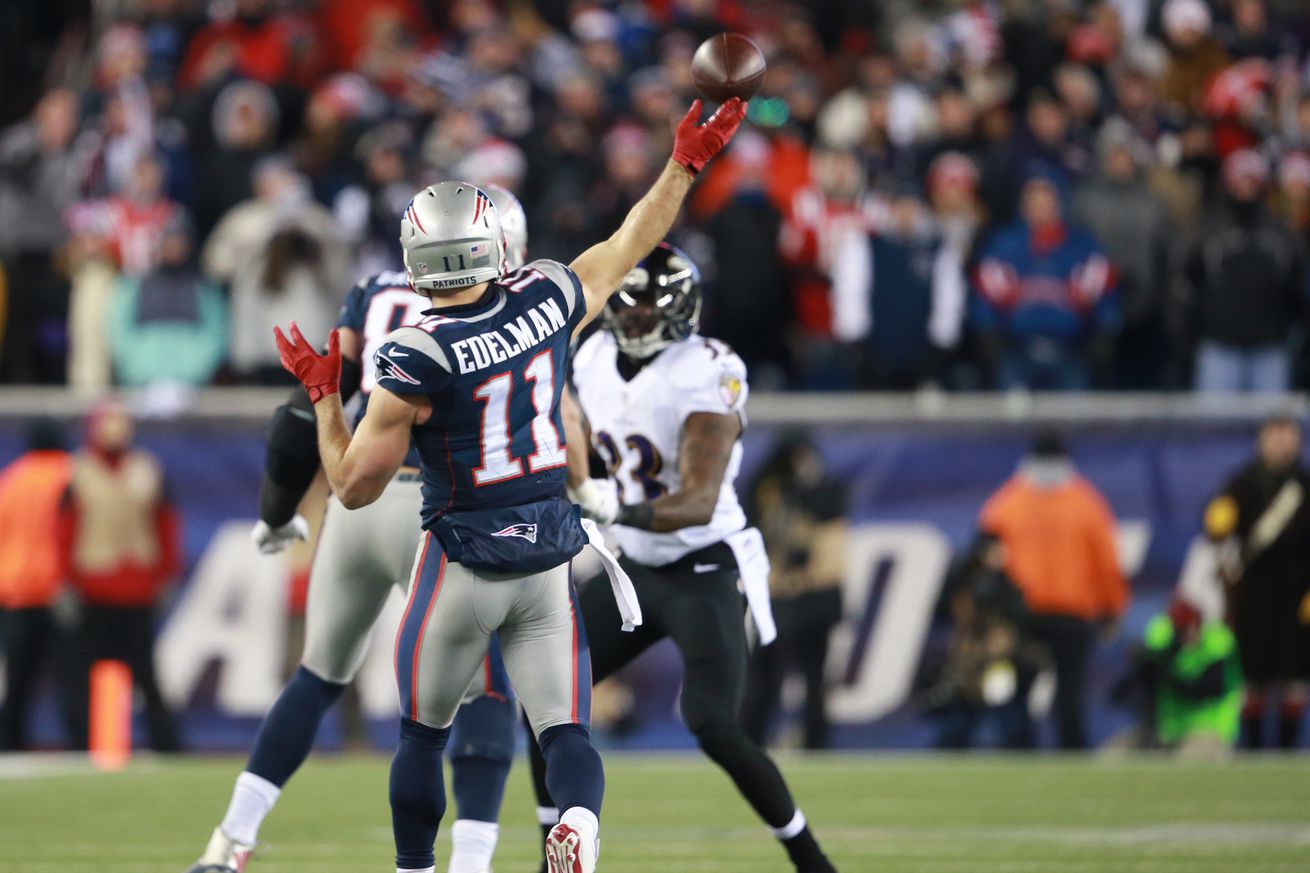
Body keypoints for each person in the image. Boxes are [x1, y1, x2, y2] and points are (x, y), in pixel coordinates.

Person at [270, 99, 745, 873]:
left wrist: (327, 398)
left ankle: (419, 868)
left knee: (422, 734)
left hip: (463, 563)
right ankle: (580, 825)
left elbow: (353, 487)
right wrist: (683, 164)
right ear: (492, 245)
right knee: (565, 733)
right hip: (548, 561)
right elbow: (634, 238)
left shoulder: (414, 355)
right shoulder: (546, 298)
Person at [184, 186, 531, 873]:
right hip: (442, 511)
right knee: (487, 687)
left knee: (316, 676)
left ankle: (228, 843)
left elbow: (304, 405)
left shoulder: (374, 292)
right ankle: (469, 861)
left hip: (358, 509)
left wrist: (277, 510)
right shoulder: (511, 311)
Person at [554, 243, 837, 873]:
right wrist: (576, 481)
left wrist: (608, 506)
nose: (632, 321)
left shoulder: (709, 369)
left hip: (702, 565)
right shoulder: (593, 356)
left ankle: (810, 859)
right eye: (624, 308)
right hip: (634, 566)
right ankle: (558, 851)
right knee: (546, 693)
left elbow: (698, 502)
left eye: (647, 308)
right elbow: (589, 442)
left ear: (680, 309)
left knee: (712, 722)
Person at [979, 431, 1128, 749]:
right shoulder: (1086, 503)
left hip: (1023, 610)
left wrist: (993, 612)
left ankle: (1017, 753)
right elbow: (1106, 563)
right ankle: (1071, 755)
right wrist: (1113, 607)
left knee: (1015, 689)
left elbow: (986, 559)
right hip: (1072, 611)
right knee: (1069, 693)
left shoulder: (1007, 503)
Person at [60, 400, 182, 752]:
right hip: (93, 585)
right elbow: (64, 529)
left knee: (147, 674)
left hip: (137, 586)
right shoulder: (77, 471)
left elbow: (166, 524)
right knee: (84, 673)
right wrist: (65, 581)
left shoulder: (146, 469)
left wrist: (166, 575)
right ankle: (84, 745)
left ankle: (166, 744)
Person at [1203, 415, 1310, 749]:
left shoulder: (1305, 484)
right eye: (1273, 436)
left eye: (1287, 436)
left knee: (1295, 675)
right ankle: (1252, 749)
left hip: (1298, 591)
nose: (1280, 443)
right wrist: (1216, 525)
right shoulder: (1241, 483)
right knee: (1253, 676)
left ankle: (1287, 749)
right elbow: (1218, 532)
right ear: (1261, 441)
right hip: (1255, 593)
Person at [741, 433, 848, 750]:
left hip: (811, 600)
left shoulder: (824, 493)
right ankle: (750, 743)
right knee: (763, 677)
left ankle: (814, 743)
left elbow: (829, 557)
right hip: (778, 597)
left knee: (812, 679)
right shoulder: (767, 489)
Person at [971, 175, 1119, 391]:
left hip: (1069, 352)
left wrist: (1105, 331)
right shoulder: (1004, 244)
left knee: (1072, 417)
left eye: (1046, 198)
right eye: (1033, 199)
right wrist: (988, 333)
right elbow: (985, 294)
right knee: (1013, 418)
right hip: (1017, 351)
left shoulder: (1082, 245)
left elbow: (1104, 292)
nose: (1039, 205)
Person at [1178, 150, 1307, 393]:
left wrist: (1294, 334)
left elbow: (1298, 289)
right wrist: (1189, 338)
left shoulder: (1282, 237)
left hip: (1270, 349)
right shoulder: (1208, 234)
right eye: (1239, 181)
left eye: (1251, 181)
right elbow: (1185, 288)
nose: (1245, 188)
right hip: (1218, 347)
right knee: (1213, 427)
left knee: (1272, 425)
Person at [0, 418, 77, 750]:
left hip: (15, 591)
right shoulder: (70, 474)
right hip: (59, 591)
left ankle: (10, 746)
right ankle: (81, 746)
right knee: (70, 680)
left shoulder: (13, 478)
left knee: (18, 681)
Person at [929, 533, 1042, 750]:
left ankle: (1021, 756)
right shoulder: (965, 583)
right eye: (994, 552)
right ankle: (946, 759)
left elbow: (1020, 620)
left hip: (999, 661)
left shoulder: (1006, 584)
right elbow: (944, 612)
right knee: (961, 717)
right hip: (969, 661)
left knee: (1008, 713)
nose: (999, 557)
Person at [1134, 597, 1242, 751]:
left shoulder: (1217, 644)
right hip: (1171, 731)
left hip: (1210, 729)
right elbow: (1146, 685)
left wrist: (1167, 673)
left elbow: (1208, 689)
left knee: (1182, 763)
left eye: (1186, 628)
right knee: (1117, 756)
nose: (1183, 634)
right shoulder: (1168, 645)